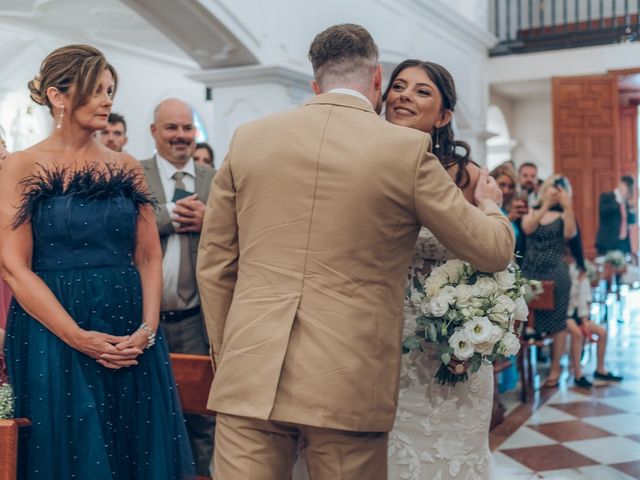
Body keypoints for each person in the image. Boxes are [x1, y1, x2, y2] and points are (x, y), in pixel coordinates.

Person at [197, 24, 514, 480]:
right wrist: (491, 207)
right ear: (377, 80)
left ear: (315, 82)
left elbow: (215, 264)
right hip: (347, 378)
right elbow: (493, 250)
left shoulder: (249, 138)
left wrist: (233, 354)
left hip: (249, 368)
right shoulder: (404, 149)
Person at [0, 45, 193, 478]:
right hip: (52, 328)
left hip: (130, 330)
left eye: (111, 90)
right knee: (70, 447)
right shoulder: (21, 166)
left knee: (134, 447)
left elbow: (147, 254)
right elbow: (14, 267)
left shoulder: (126, 166)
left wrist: (147, 330)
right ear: (57, 96)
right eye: (97, 91)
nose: (108, 101)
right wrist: (77, 336)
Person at [381, 59, 500, 479]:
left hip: (447, 341)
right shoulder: (368, 163)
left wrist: (477, 329)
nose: (405, 96)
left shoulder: (467, 177)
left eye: (421, 91)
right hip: (380, 333)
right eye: (398, 86)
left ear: (444, 115)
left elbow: (493, 260)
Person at [140, 98, 216, 477]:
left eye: (187, 128)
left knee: (202, 416)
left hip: (195, 321)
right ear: (154, 132)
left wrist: (211, 220)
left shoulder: (214, 179)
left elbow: (241, 233)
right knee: (148, 413)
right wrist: (166, 216)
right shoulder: (134, 175)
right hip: (142, 320)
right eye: (171, 128)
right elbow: (120, 231)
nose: (181, 136)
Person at [521, 174, 577, 388]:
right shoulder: (533, 210)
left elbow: (570, 234)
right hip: (531, 271)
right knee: (526, 321)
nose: (555, 191)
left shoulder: (565, 216)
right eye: (553, 187)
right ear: (545, 188)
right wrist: (545, 205)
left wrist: (567, 206)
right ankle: (523, 368)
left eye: (560, 189)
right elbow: (528, 229)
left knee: (558, 323)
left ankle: (555, 368)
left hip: (556, 272)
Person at [595, 175, 636, 255]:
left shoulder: (627, 202)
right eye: (625, 185)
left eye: (629, 187)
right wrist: (619, 200)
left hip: (623, 243)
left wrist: (631, 208)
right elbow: (603, 212)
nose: (627, 189)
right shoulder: (606, 197)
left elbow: (631, 222)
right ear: (620, 184)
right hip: (607, 242)